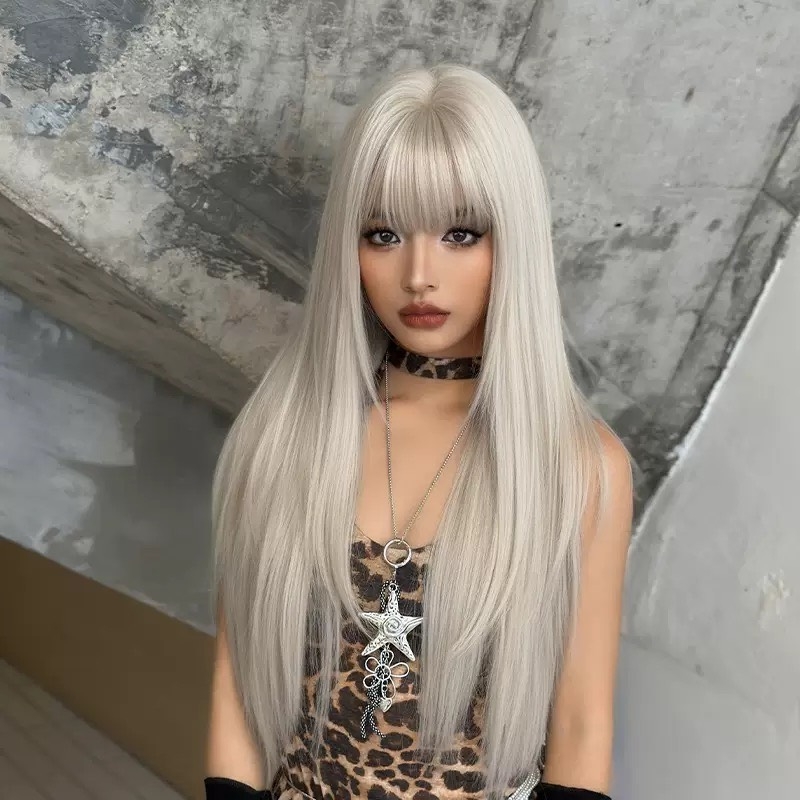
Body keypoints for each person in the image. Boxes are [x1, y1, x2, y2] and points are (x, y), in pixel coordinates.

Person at [204, 63, 634, 800]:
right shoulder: (286, 435)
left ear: (514, 241)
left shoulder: (577, 466)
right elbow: (236, 682)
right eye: (384, 234)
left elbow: (582, 722)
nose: (418, 274)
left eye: (461, 233)